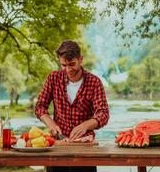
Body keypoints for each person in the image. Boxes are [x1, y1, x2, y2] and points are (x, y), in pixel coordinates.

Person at [35, 40, 109, 172]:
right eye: (64, 65)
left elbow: (103, 114)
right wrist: (51, 124)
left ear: (80, 59)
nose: (68, 69)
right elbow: (40, 106)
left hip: (85, 149)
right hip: (58, 146)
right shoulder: (53, 78)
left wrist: (85, 125)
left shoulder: (94, 82)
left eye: (72, 64)